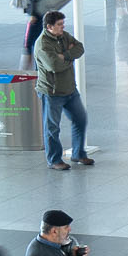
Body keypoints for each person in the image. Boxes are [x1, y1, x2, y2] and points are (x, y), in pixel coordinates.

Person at [33, 10, 92, 170]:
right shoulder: (43, 45)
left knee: (80, 119)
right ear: (49, 27)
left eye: (63, 23)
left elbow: (79, 48)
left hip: (70, 90)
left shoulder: (63, 36)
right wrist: (69, 57)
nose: (63, 27)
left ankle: (78, 153)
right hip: (52, 92)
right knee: (52, 127)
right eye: (59, 24)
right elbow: (54, 66)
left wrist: (63, 55)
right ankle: (54, 160)